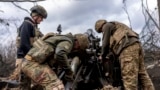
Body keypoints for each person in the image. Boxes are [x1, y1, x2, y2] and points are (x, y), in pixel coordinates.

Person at [95, 19, 155, 90]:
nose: (102, 32)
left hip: (127, 48)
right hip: (137, 45)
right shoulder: (117, 26)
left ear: (100, 27)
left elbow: (105, 43)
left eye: (101, 31)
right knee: (142, 74)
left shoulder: (106, 26)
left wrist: (102, 55)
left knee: (129, 77)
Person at [21, 33, 89, 90]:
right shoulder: (68, 41)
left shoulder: (60, 38)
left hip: (28, 63)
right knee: (57, 87)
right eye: (78, 48)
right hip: (33, 64)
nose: (75, 49)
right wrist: (69, 71)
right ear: (77, 42)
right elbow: (60, 54)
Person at [9, 5, 47, 81]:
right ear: (36, 16)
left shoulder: (33, 26)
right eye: (41, 18)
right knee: (23, 83)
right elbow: (24, 44)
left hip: (28, 59)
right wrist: (34, 57)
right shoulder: (27, 24)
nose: (42, 20)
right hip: (24, 59)